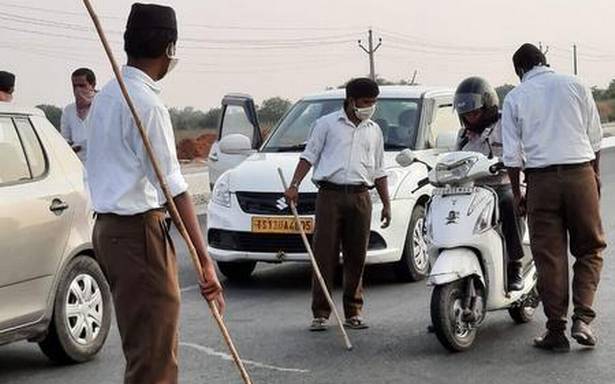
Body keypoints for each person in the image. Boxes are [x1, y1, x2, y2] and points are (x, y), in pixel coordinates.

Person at [85, 4, 224, 383]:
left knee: (145, 346)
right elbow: (173, 189)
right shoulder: (145, 103)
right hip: (137, 233)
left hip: (112, 231)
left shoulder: (109, 95)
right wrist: (203, 259)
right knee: (154, 356)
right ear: (169, 48)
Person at [502, 43, 606, 352]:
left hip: (541, 180)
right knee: (590, 248)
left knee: (550, 256)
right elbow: (594, 137)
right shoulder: (575, 84)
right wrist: (595, 175)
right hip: (580, 174)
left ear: (520, 70)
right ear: (545, 62)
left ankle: (556, 330)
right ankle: (583, 320)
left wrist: (520, 191)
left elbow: (512, 156)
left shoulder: (515, 97)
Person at [284, 77, 391, 331]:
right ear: (351, 101)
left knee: (357, 256)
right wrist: (294, 185)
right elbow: (308, 156)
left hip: (361, 197)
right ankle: (320, 313)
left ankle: (353, 312)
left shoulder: (374, 130)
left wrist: (386, 204)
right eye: (366, 102)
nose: (370, 107)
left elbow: (379, 171)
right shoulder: (326, 125)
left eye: (374, 102)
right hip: (329, 196)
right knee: (324, 254)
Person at [453, 76, 525, 291]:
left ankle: (515, 264)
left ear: (488, 107)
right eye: (466, 114)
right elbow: (454, 158)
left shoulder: (505, 125)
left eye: (474, 112)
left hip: (503, 184)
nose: (470, 118)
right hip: (472, 189)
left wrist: (508, 163)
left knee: (508, 202)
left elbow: (522, 151)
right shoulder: (463, 135)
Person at [61, 68, 97, 163]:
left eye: (82, 86)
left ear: (92, 85)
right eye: (75, 86)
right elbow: (65, 138)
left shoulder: (102, 107)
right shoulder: (69, 110)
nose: (78, 90)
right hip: (77, 165)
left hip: (99, 165)